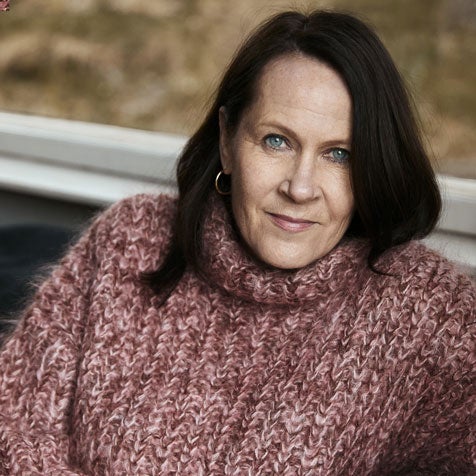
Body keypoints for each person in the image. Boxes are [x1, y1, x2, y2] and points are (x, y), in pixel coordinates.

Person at [0, 9, 474, 475]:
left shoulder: (428, 310)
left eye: (339, 154)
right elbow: (12, 423)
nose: (300, 187)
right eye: (276, 141)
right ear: (228, 140)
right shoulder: (131, 237)